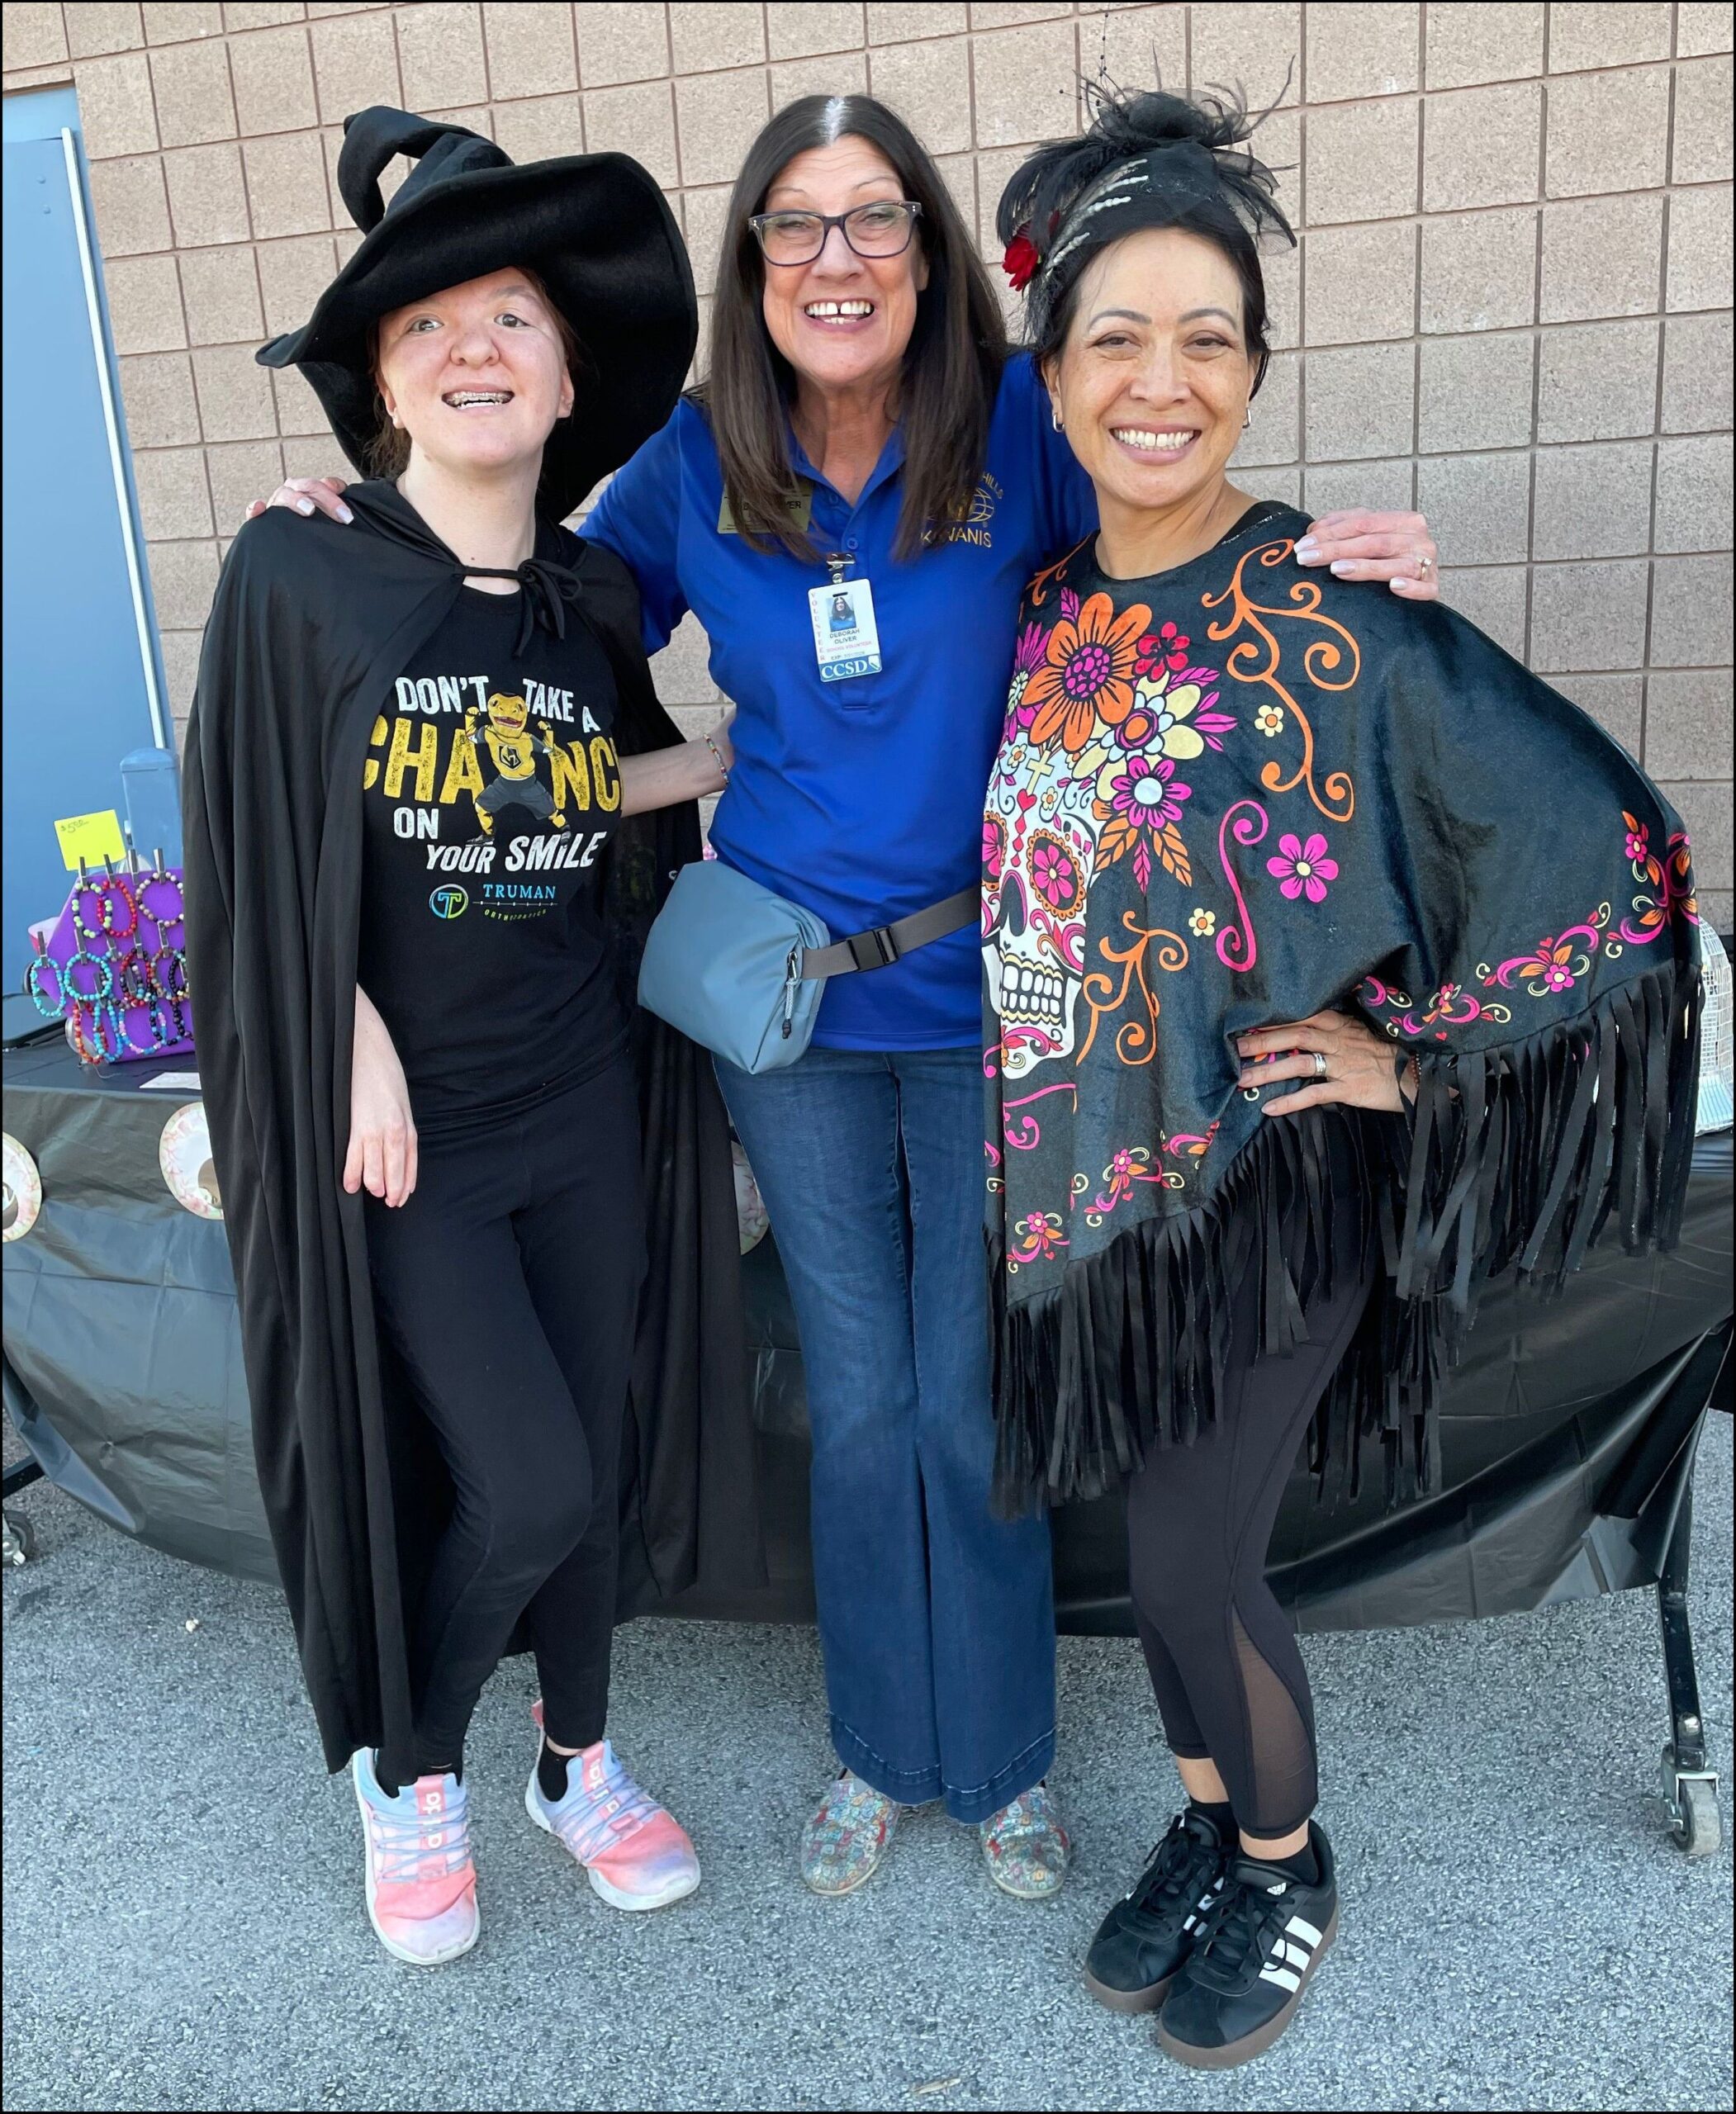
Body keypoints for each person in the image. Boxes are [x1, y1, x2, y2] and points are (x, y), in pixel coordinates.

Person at [250, 92, 1440, 1903]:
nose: (835, 257)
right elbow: (516, 605)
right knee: (865, 1400)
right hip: (792, 1025)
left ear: (927, 250)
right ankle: (883, 1751)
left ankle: (1004, 1760)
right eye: (793, 224)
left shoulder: (1017, 429)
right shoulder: (692, 463)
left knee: (969, 1400)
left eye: (873, 216)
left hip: (995, 1008)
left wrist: (1324, 573)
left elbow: (1170, 528)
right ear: (751, 263)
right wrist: (350, 533)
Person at [983, 88, 1701, 2066]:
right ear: (1053, 378)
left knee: (1197, 1558)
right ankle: (1211, 1821)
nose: (1161, 379)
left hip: (1264, 1179)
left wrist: (1412, 1064)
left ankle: (1287, 1860)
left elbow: (1601, 862)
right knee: (1150, 1552)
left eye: (1207, 337)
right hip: (1098, 1181)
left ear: (1253, 370)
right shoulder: (1049, 609)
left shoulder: (1337, 609)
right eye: (1116, 337)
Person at [183, 109, 759, 1967]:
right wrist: (343, 1028)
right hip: (406, 1136)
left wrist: (731, 757)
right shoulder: (300, 573)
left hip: (583, 1099)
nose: (472, 347)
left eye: (511, 315)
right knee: (528, 1478)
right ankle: (410, 1768)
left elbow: (576, 793)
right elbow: (246, 847)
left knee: (588, 1446)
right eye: (425, 323)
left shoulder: (588, 596)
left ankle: (574, 1759)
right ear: (382, 385)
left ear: (567, 373)